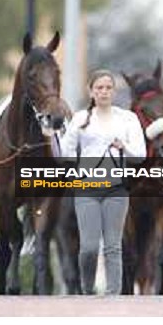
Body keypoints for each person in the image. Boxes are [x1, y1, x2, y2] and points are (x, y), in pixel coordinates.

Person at [61, 69, 146, 295]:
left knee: (113, 247)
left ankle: (113, 295)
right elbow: (66, 151)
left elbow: (140, 154)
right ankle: (87, 290)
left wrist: (124, 147)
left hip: (116, 189)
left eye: (108, 87)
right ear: (91, 91)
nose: (104, 92)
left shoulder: (128, 118)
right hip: (87, 188)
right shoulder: (80, 118)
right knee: (88, 247)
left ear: (114, 91)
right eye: (99, 87)